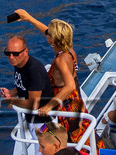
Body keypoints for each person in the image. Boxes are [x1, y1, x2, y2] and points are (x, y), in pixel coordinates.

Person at [12, 11, 87, 141]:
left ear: (52, 40)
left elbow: (69, 86)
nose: (46, 33)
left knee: (72, 141)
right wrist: (29, 18)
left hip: (67, 108)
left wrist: (49, 106)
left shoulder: (60, 60)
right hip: (77, 102)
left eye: (49, 34)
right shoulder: (69, 50)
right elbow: (47, 31)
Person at [0, 34, 52, 116]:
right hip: (29, 117)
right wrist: (10, 93)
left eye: (15, 54)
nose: (11, 57)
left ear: (26, 52)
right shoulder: (19, 63)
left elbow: (33, 105)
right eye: (8, 53)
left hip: (41, 121)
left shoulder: (34, 71)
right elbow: (23, 86)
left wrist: (12, 101)